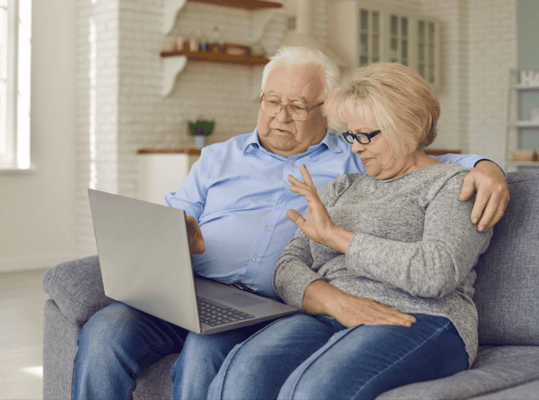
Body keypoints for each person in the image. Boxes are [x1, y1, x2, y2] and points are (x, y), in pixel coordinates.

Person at [71, 47, 508, 400]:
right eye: (272, 102)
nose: (280, 116)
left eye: (297, 106)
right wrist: (172, 236)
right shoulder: (229, 159)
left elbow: (425, 172)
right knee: (106, 329)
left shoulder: (350, 160)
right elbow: (289, 261)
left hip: (271, 308)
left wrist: (488, 165)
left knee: (218, 358)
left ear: (325, 113)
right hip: (200, 289)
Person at [207, 62, 495, 400]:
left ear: (410, 126)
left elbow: (436, 272)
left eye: (366, 135)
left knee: (312, 389)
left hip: (420, 318)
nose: (355, 147)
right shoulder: (341, 187)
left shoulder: (453, 185)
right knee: (244, 368)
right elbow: (287, 267)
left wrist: (336, 237)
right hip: (329, 312)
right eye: (350, 135)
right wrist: (336, 301)